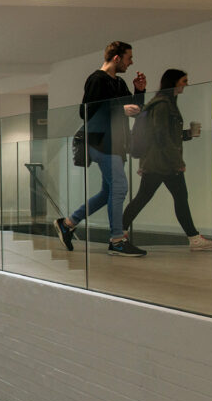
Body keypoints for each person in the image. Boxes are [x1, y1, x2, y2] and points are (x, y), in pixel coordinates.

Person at [54, 41, 147, 256]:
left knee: (108, 192)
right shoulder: (96, 79)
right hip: (101, 142)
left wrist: (139, 91)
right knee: (120, 187)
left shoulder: (120, 82)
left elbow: (132, 109)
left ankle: (68, 224)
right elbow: (85, 112)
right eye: (128, 58)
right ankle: (117, 239)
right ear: (117, 58)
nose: (131, 62)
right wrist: (119, 108)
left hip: (115, 142)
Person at [121, 69, 212, 251]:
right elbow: (161, 135)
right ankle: (119, 232)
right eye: (184, 80)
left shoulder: (166, 103)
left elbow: (166, 134)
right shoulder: (163, 105)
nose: (186, 84)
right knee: (158, 197)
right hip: (162, 162)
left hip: (160, 161)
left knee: (169, 197)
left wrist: (189, 134)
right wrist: (177, 162)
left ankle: (193, 237)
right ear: (174, 82)